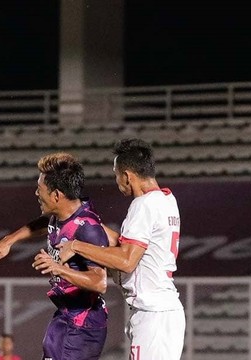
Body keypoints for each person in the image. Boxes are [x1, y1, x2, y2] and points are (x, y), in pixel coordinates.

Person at [57, 138, 185, 360]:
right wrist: (87, 222)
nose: (116, 181)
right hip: (161, 312)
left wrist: (76, 246)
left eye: (116, 174)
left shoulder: (143, 204)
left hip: (154, 313)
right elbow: (130, 246)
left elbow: (126, 260)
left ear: (127, 176)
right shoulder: (166, 200)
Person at [0, 152, 110, 360]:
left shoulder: (88, 228)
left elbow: (100, 282)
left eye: (40, 189)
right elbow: (44, 224)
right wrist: (8, 240)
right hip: (64, 316)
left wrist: (58, 268)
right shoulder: (60, 216)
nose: (36, 193)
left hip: (83, 326)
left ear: (56, 195)